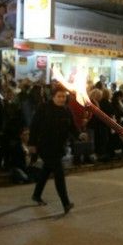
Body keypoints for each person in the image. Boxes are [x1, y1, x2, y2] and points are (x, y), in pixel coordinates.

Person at [29, 85, 85, 214]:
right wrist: (32, 144)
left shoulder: (66, 110)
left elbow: (72, 127)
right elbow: (34, 126)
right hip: (45, 146)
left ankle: (36, 195)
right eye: (59, 96)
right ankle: (65, 203)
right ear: (53, 97)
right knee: (59, 173)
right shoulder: (44, 108)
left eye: (64, 96)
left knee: (46, 171)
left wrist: (79, 135)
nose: (61, 99)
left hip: (59, 146)